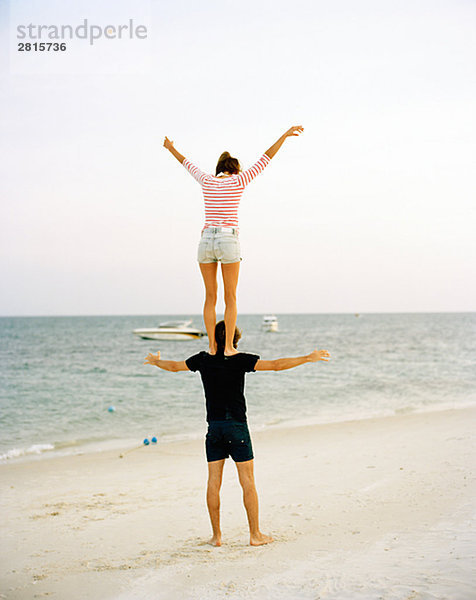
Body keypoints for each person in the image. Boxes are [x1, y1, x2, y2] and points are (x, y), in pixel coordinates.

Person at [144, 320, 330, 547]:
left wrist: (155, 361)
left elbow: (173, 367)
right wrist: (307, 358)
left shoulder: (202, 359)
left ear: (213, 337)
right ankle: (255, 535)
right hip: (237, 427)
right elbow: (276, 365)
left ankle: (216, 537)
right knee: (247, 481)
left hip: (214, 428)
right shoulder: (240, 359)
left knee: (213, 482)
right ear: (235, 339)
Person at [163, 126, 304, 356]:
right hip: (228, 239)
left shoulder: (207, 181)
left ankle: (211, 346)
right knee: (231, 297)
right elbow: (266, 157)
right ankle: (228, 347)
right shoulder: (239, 180)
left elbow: (185, 163)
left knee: (210, 296)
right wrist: (285, 136)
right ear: (235, 169)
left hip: (206, 239)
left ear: (219, 169)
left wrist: (171, 147)